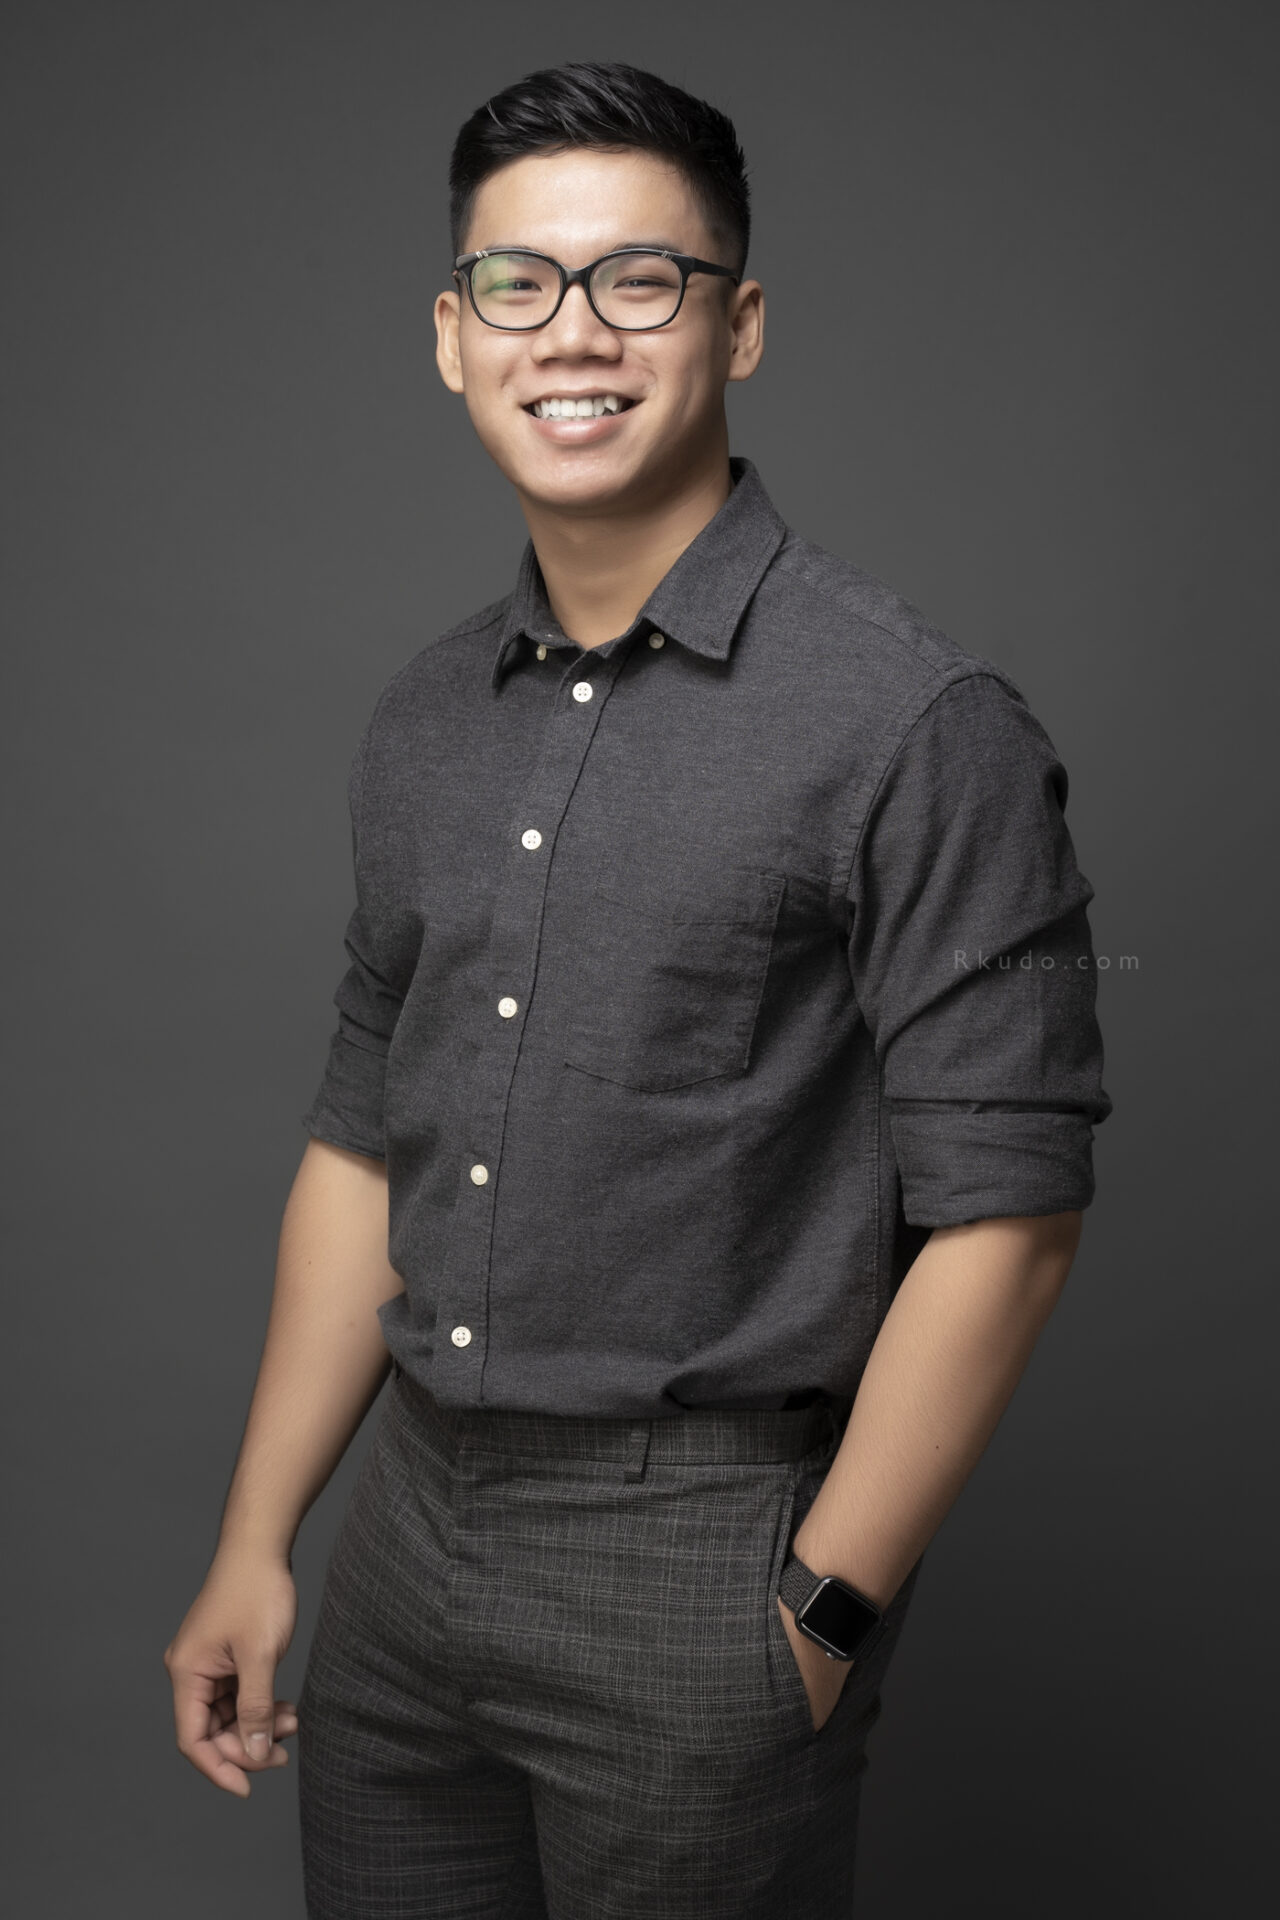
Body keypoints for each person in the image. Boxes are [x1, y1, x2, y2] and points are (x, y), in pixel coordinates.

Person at [163, 59, 1113, 1917]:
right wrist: (258, 1537)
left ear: (736, 323)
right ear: (454, 335)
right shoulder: (424, 719)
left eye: (639, 280)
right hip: (403, 1550)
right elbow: (363, 1141)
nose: (572, 331)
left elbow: (1011, 1219)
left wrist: (824, 1611)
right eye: (518, 282)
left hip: (705, 1563)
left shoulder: (919, 724)